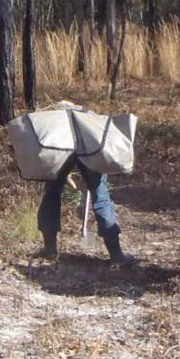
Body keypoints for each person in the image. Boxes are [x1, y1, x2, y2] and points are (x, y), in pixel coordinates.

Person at [36, 101, 134, 266]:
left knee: (51, 195)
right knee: (100, 196)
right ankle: (116, 255)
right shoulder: (89, 117)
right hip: (89, 148)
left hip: (60, 146)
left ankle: (50, 250)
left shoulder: (55, 117)